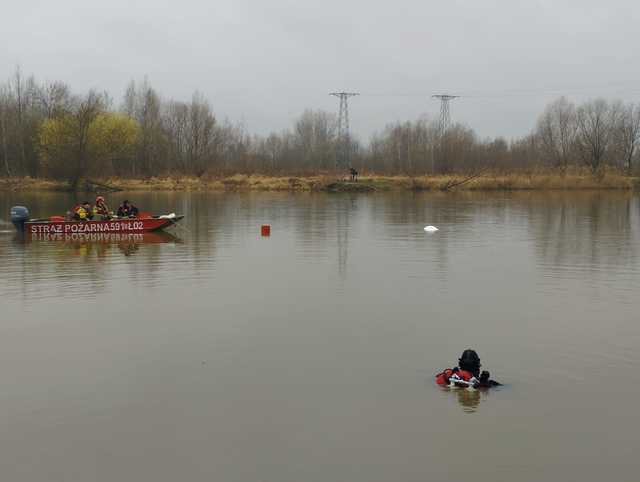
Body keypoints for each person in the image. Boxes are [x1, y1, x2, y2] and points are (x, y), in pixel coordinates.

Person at [435, 349, 501, 388]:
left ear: (460, 364)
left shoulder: (448, 375)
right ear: (477, 366)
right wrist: (485, 381)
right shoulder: (480, 384)